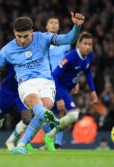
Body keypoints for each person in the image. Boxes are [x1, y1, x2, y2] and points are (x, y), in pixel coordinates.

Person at [0, 12, 85, 155]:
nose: (23, 40)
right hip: (26, 83)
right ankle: (50, 118)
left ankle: (22, 144)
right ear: (14, 33)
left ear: (32, 32)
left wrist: (76, 27)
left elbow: (69, 38)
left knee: (45, 108)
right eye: (19, 36)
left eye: (26, 36)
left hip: (46, 81)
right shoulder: (8, 49)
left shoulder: (42, 38)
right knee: (35, 103)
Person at [44, 32, 98, 151]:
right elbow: (54, 75)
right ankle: (49, 137)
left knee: (44, 115)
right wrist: (59, 98)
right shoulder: (70, 57)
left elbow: (87, 71)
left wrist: (92, 91)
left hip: (67, 88)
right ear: (79, 44)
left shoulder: (90, 56)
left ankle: (44, 142)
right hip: (59, 87)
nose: (87, 47)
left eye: (90, 44)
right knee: (73, 114)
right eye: (85, 44)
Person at [0, 61, 32, 151]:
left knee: (27, 119)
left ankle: (10, 141)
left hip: (23, 90)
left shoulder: (32, 54)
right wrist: (1, 71)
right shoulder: (10, 51)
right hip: (7, 90)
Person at [41, 17, 71, 150]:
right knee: (44, 111)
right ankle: (49, 138)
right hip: (44, 79)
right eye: (51, 22)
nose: (54, 25)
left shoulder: (65, 43)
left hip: (60, 81)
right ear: (46, 26)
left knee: (61, 110)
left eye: (56, 23)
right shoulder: (41, 41)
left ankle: (57, 142)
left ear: (58, 27)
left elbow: (69, 62)